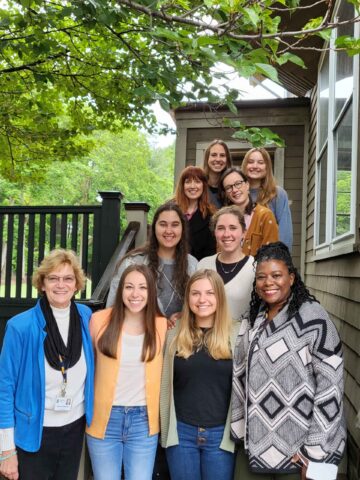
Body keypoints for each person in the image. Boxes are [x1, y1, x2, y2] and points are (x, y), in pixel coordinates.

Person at [231, 242, 346, 480]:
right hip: (256, 444)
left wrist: (314, 453)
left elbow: (331, 390)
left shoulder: (314, 319)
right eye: (261, 277)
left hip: (299, 450)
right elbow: (239, 375)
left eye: (276, 275)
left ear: (291, 278)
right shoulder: (253, 319)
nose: (268, 282)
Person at [0, 249, 94, 480]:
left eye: (68, 278)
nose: (61, 285)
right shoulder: (19, 327)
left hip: (74, 427)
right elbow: (4, 389)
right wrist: (6, 450)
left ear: (76, 284)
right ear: (42, 283)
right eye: (53, 278)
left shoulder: (85, 316)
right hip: (34, 433)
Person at [86, 264, 167, 480]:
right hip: (104, 419)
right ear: (120, 290)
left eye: (142, 287)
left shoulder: (161, 326)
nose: (135, 294)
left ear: (151, 292)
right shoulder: (99, 321)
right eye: (129, 287)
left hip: (143, 421)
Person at [160, 269, 237, 480]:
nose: (202, 299)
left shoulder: (237, 335)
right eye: (195, 293)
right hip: (181, 433)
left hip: (220, 436)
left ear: (219, 297)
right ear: (188, 298)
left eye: (210, 293)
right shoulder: (173, 335)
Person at [106, 202, 198, 318]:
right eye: (163, 224)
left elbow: (198, 307)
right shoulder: (132, 263)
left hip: (180, 334)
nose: (168, 231)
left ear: (182, 229)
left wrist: (184, 316)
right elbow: (112, 308)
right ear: (154, 228)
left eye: (175, 225)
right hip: (143, 333)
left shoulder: (192, 264)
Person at [197, 206, 254, 321]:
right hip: (207, 335)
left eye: (233, 228)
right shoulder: (203, 265)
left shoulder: (254, 267)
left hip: (240, 336)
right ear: (215, 233)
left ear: (243, 233)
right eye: (221, 228)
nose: (226, 234)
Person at [242, 147, 293, 251]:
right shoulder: (237, 193)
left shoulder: (278, 194)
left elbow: (285, 232)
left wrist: (281, 258)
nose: (255, 166)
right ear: (245, 166)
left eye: (260, 162)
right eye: (251, 162)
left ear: (267, 167)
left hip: (269, 257)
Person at [219, 167, 278, 256]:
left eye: (238, 184)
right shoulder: (222, 219)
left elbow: (272, 256)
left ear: (247, 185)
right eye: (228, 188)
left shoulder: (265, 216)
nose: (234, 190)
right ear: (226, 193)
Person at [174, 166, 216, 260]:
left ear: (203, 186)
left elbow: (211, 251)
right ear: (182, 185)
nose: (192, 186)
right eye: (188, 182)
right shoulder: (170, 209)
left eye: (197, 181)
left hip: (198, 268)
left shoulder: (211, 215)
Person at [203, 139, 232, 209]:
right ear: (207, 158)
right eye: (214, 155)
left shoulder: (231, 186)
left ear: (227, 159)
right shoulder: (199, 184)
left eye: (222, 155)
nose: (218, 159)